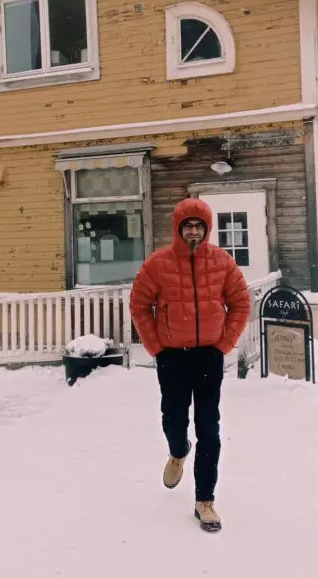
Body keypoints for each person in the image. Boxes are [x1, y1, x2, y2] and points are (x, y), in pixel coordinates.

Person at [129, 197, 251, 533]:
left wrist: (225, 343)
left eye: (199, 225)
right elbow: (139, 305)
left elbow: (241, 303)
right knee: (173, 419)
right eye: (188, 225)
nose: (193, 231)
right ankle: (178, 452)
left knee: (209, 428)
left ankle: (205, 500)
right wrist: (156, 347)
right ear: (178, 229)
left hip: (209, 355)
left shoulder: (223, 263)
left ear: (207, 229)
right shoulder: (159, 264)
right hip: (172, 357)